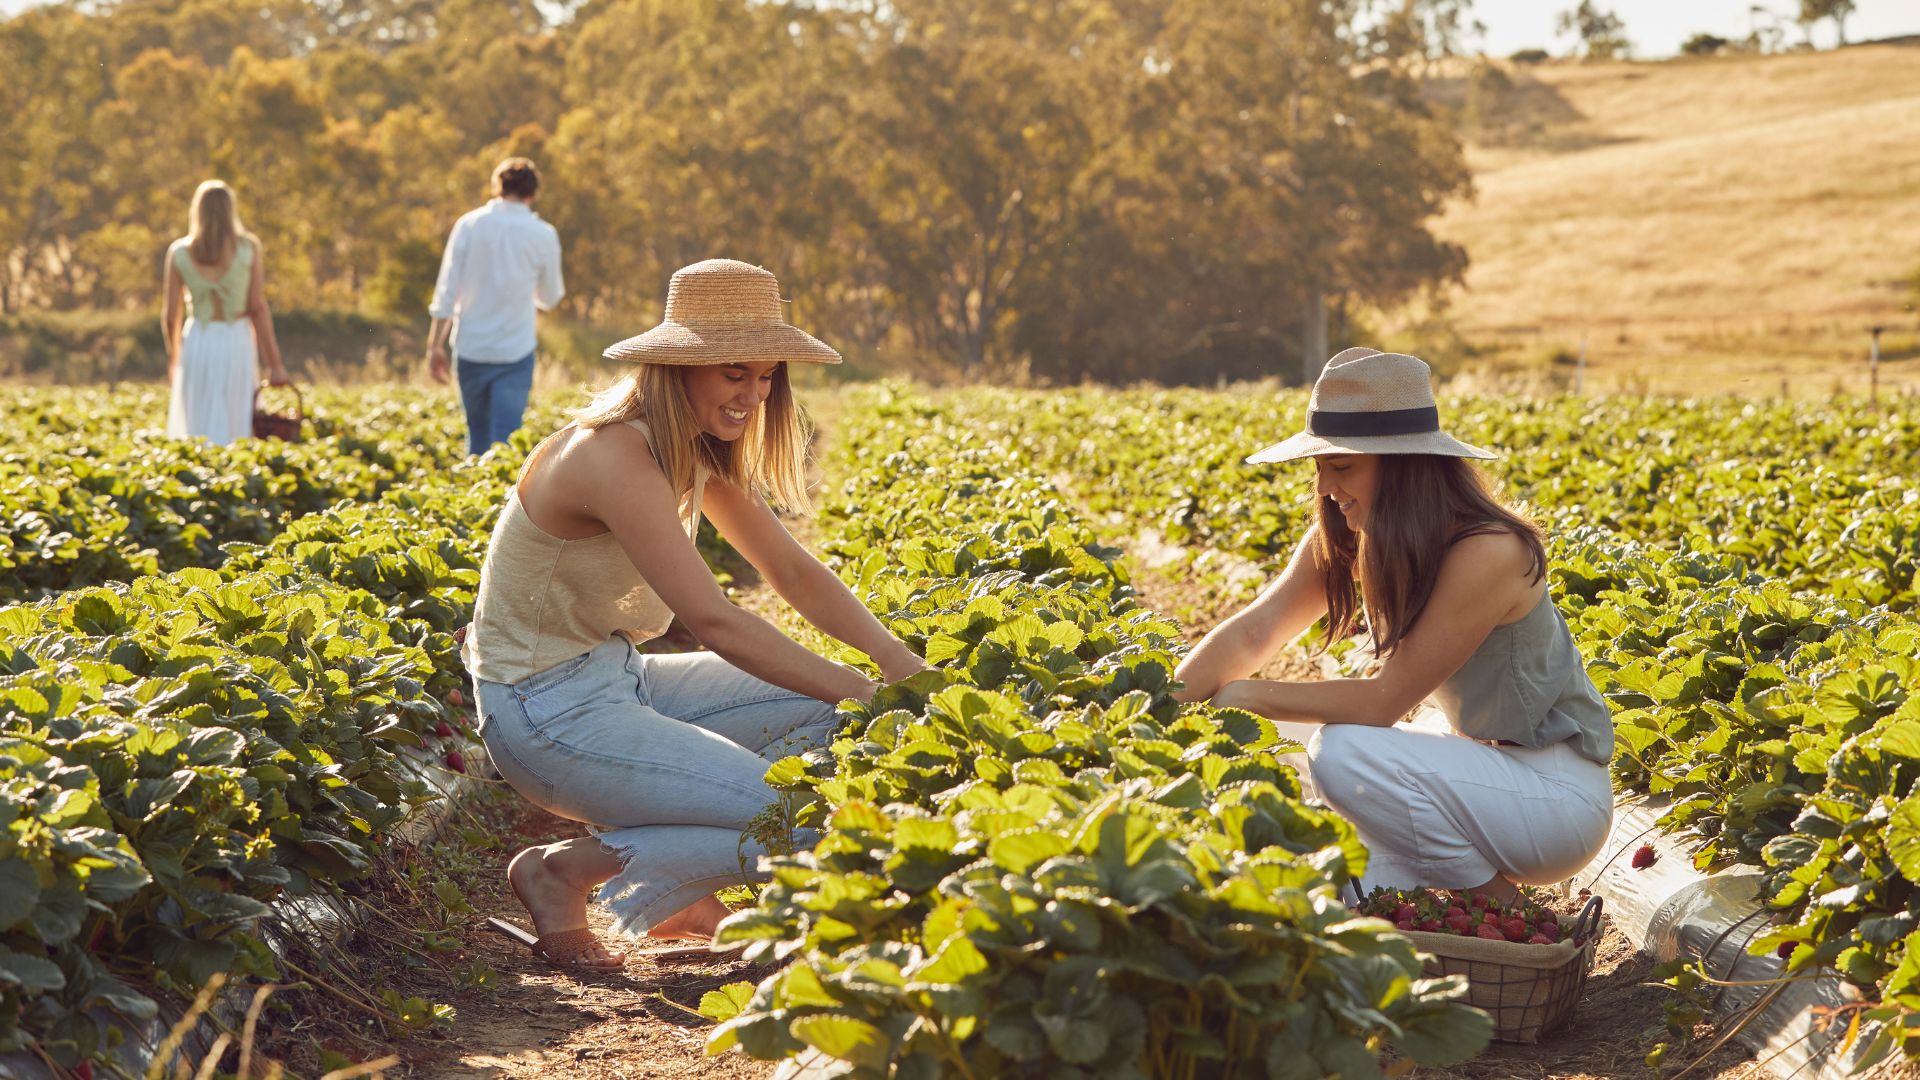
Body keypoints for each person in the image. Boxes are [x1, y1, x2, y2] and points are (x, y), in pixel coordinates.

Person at [466, 258, 927, 971]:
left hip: (619, 679)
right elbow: (715, 621)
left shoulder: (689, 447)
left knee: (841, 723)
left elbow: (793, 569)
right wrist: (865, 686)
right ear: (679, 367)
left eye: (767, 374)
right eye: (734, 372)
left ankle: (680, 877)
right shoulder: (615, 453)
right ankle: (567, 872)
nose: (754, 393)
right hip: (543, 714)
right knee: (805, 818)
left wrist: (901, 669)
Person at [1173, 348, 1613, 901]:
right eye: (1320, 468)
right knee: (1327, 874)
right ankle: (1453, 921)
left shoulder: (1490, 552)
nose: (1327, 487)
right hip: (1475, 772)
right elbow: (1254, 633)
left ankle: (1504, 908)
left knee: (1342, 751)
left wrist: (1247, 695)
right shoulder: (1351, 534)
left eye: (1343, 466)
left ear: (1403, 464)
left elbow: (1384, 701)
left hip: (1552, 799)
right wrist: (1159, 714)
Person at [426, 157, 565, 455]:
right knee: (506, 441)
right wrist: (530, 299)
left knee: (475, 435)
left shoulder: (469, 225)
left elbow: (446, 291)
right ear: (533, 193)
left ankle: (469, 494)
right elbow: (551, 297)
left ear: (497, 188)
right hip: (515, 350)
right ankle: (501, 498)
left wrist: (434, 346)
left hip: (470, 347)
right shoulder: (543, 234)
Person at [162, 180, 289, 444]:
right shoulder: (248, 248)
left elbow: (172, 316)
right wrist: (275, 364)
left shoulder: (179, 252)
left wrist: (175, 358)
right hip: (236, 340)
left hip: (198, 341)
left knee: (198, 417)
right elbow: (258, 308)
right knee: (236, 417)